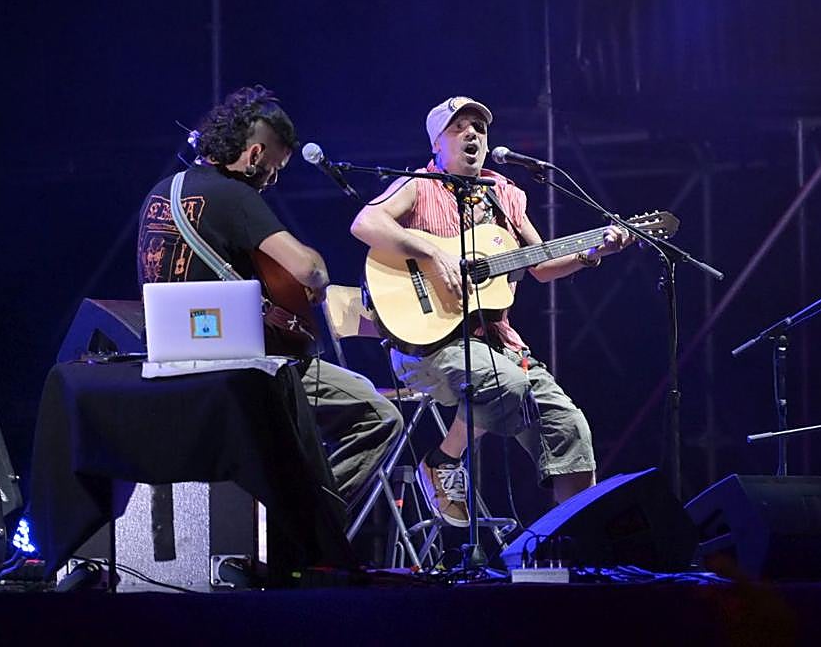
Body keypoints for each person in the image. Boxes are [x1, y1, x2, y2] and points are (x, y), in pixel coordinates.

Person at [350, 96, 633, 527]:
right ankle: (443, 458)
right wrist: (430, 250)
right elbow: (365, 224)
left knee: (569, 430)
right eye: (458, 127)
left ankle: (578, 544)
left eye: (479, 129)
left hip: (497, 343)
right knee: (508, 384)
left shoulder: (503, 194)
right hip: (428, 344)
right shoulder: (418, 185)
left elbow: (538, 264)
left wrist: (592, 253)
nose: (472, 135)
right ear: (437, 144)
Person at [137, 85, 401, 512]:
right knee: (379, 414)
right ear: (256, 154)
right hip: (242, 369)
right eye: (274, 169)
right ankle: (308, 524)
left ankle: (282, 514)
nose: (272, 181)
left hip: (171, 366)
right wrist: (315, 275)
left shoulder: (161, 193)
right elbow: (309, 270)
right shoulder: (234, 195)